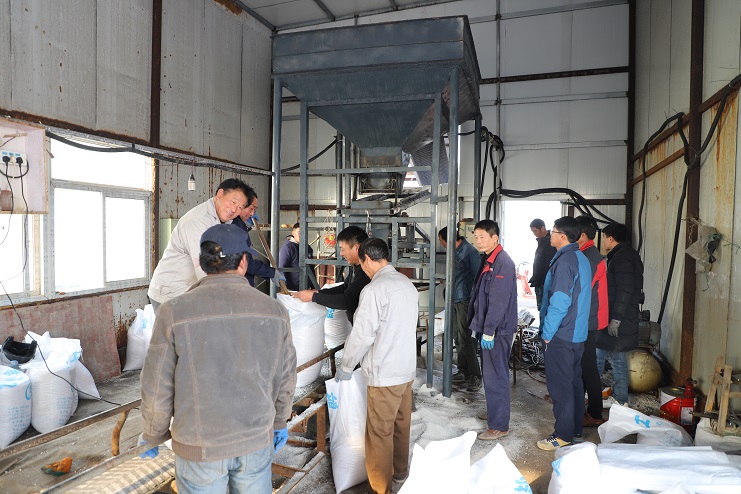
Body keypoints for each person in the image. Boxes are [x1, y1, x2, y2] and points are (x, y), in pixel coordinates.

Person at [139, 223, 297, 493]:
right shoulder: (275, 311)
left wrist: (153, 432)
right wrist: (280, 420)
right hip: (255, 440)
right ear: (244, 262)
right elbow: (286, 375)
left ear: (202, 263)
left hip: (200, 446)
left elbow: (156, 383)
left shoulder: (174, 311)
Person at [334, 238, 418, 494]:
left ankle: (381, 488)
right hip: (406, 370)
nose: (363, 269)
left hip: (385, 373)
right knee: (401, 424)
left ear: (368, 259)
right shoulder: (406, 284)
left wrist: (346, 366)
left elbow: (362, 334)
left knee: (379, 433)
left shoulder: (374, 290)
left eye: (362, 264)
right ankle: (400, 472)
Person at [148, 178, 250, 312]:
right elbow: (204, 267)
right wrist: (223, 299)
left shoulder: (223, 221)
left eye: (240, 207)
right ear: (220, 194)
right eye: (233, 202)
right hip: (171, 294)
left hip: (190, 291)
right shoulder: (198, 221)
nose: (234, 209)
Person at [537, 216, 591, 450]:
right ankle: (575, 430)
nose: (550, 234)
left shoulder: (565, 261)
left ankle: (562, 435)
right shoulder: (580, 257)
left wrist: (548, 333)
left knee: (561, 387)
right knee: (574, 384)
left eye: (553, 231)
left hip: (562, 334)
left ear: (562, 236)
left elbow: (560, 301)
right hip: (577, 333)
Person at [468, 220, 518, 440]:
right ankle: (495, 412)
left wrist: (489, 330)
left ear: (494, 238)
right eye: (476, 237)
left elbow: (498, 301)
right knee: (490, 376)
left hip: (498, 330)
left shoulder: (503, 263)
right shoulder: (489, 259)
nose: (478, 241)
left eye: (482, 237)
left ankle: (499, 426)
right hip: (489, 328)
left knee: (496, 376)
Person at [596, 223, 644, 407]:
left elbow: (625, 290)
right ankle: (616, 398)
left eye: (604, 237)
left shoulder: (623, 258)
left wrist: (616, 319)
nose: (603, 241)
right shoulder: (623, 255)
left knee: (611, 356)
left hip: (620, 317)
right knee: (609, 355)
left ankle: (616, 399)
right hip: (617, 314)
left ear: (610, 238)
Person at [293, 226, 370, 324]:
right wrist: (318, 292)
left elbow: (347, 300)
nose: (341, 254)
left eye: (342, 249)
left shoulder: (366, 271)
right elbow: (345, 288)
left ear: (356, 248)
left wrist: (314, 297)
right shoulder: (356, 267)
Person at [439, 227, 483, 392]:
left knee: (465, 337)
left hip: (465, 299)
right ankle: (463, 371)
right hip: (454, 298)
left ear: (448, 239)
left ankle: (476, 375)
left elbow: (477, 277)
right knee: (457, 337)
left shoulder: (469, 252)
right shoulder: (454, 251)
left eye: (441, 240)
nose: (441, 244)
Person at [575, 215, 609, 427]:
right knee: (583, 366)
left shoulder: (590, 257)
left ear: (582, 235)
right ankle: (583, 405)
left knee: (588, 367)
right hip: (586, 318)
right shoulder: (585, 253)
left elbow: (581, 290)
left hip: (589, 319)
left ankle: (595, 413)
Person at [232, 186, 286, 288]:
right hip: (238, 286)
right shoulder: (236, 228)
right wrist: (271, 273)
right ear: (241, 205)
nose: (252, 213)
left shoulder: (239, 226)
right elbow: (246, 263)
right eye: (251, 208)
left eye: (255, 210)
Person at [529, 218, 558, 312]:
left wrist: (545, 281)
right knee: (541, 308)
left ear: (542, 228)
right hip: (539, 281)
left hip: (545, 282)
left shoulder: (550, 242)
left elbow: (549, 264)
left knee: (545, 309)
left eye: (535, 231)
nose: (534, 234)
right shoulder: (542, 241)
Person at [279, 222, 314, 291]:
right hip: (292, 290)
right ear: (293, 233)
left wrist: (313, 287)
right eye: (299, 232)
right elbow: (282, 268)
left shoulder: (308, 248)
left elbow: (311, 268)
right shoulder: (287, 248)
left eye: (304, 232)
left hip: (306, 288)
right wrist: (284, 288)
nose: (302, 235)